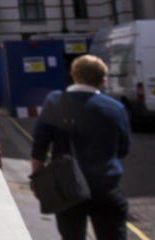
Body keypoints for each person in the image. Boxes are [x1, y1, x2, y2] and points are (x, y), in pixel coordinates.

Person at [31, 54, 131, 240]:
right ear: (103, 81)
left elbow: (39, 146)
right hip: (107, 187)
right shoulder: (116, 108)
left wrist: (36, 180)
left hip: (67, 187)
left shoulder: (55, 102)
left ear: (73, 75)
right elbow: (123, 149)